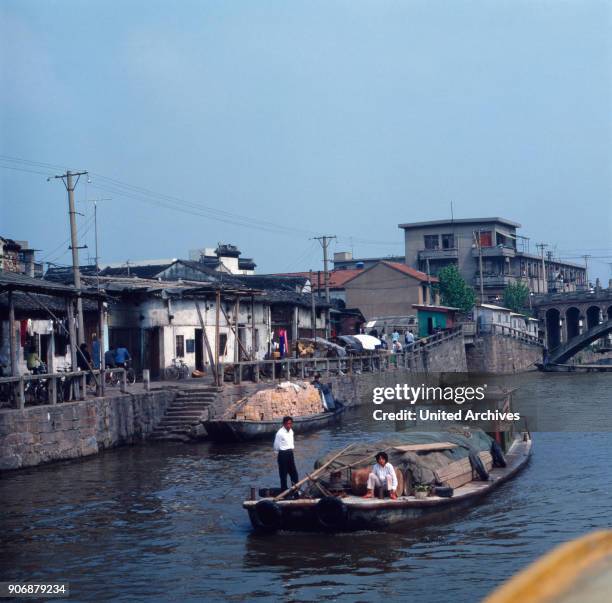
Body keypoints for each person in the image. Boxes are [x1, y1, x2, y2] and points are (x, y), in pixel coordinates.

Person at [273, 416, 299, 491]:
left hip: (290, 453)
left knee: (294, 473)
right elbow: (276, 446)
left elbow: (291, 442)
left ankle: (295, 491)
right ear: (284, 424)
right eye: (287, 424)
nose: (289, 425)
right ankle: (284, 492)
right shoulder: (279, 433)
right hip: (282, 454)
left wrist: (291, 450)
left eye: (290, 424)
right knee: (283, 475)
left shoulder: (291, 431)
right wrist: (280, 454)